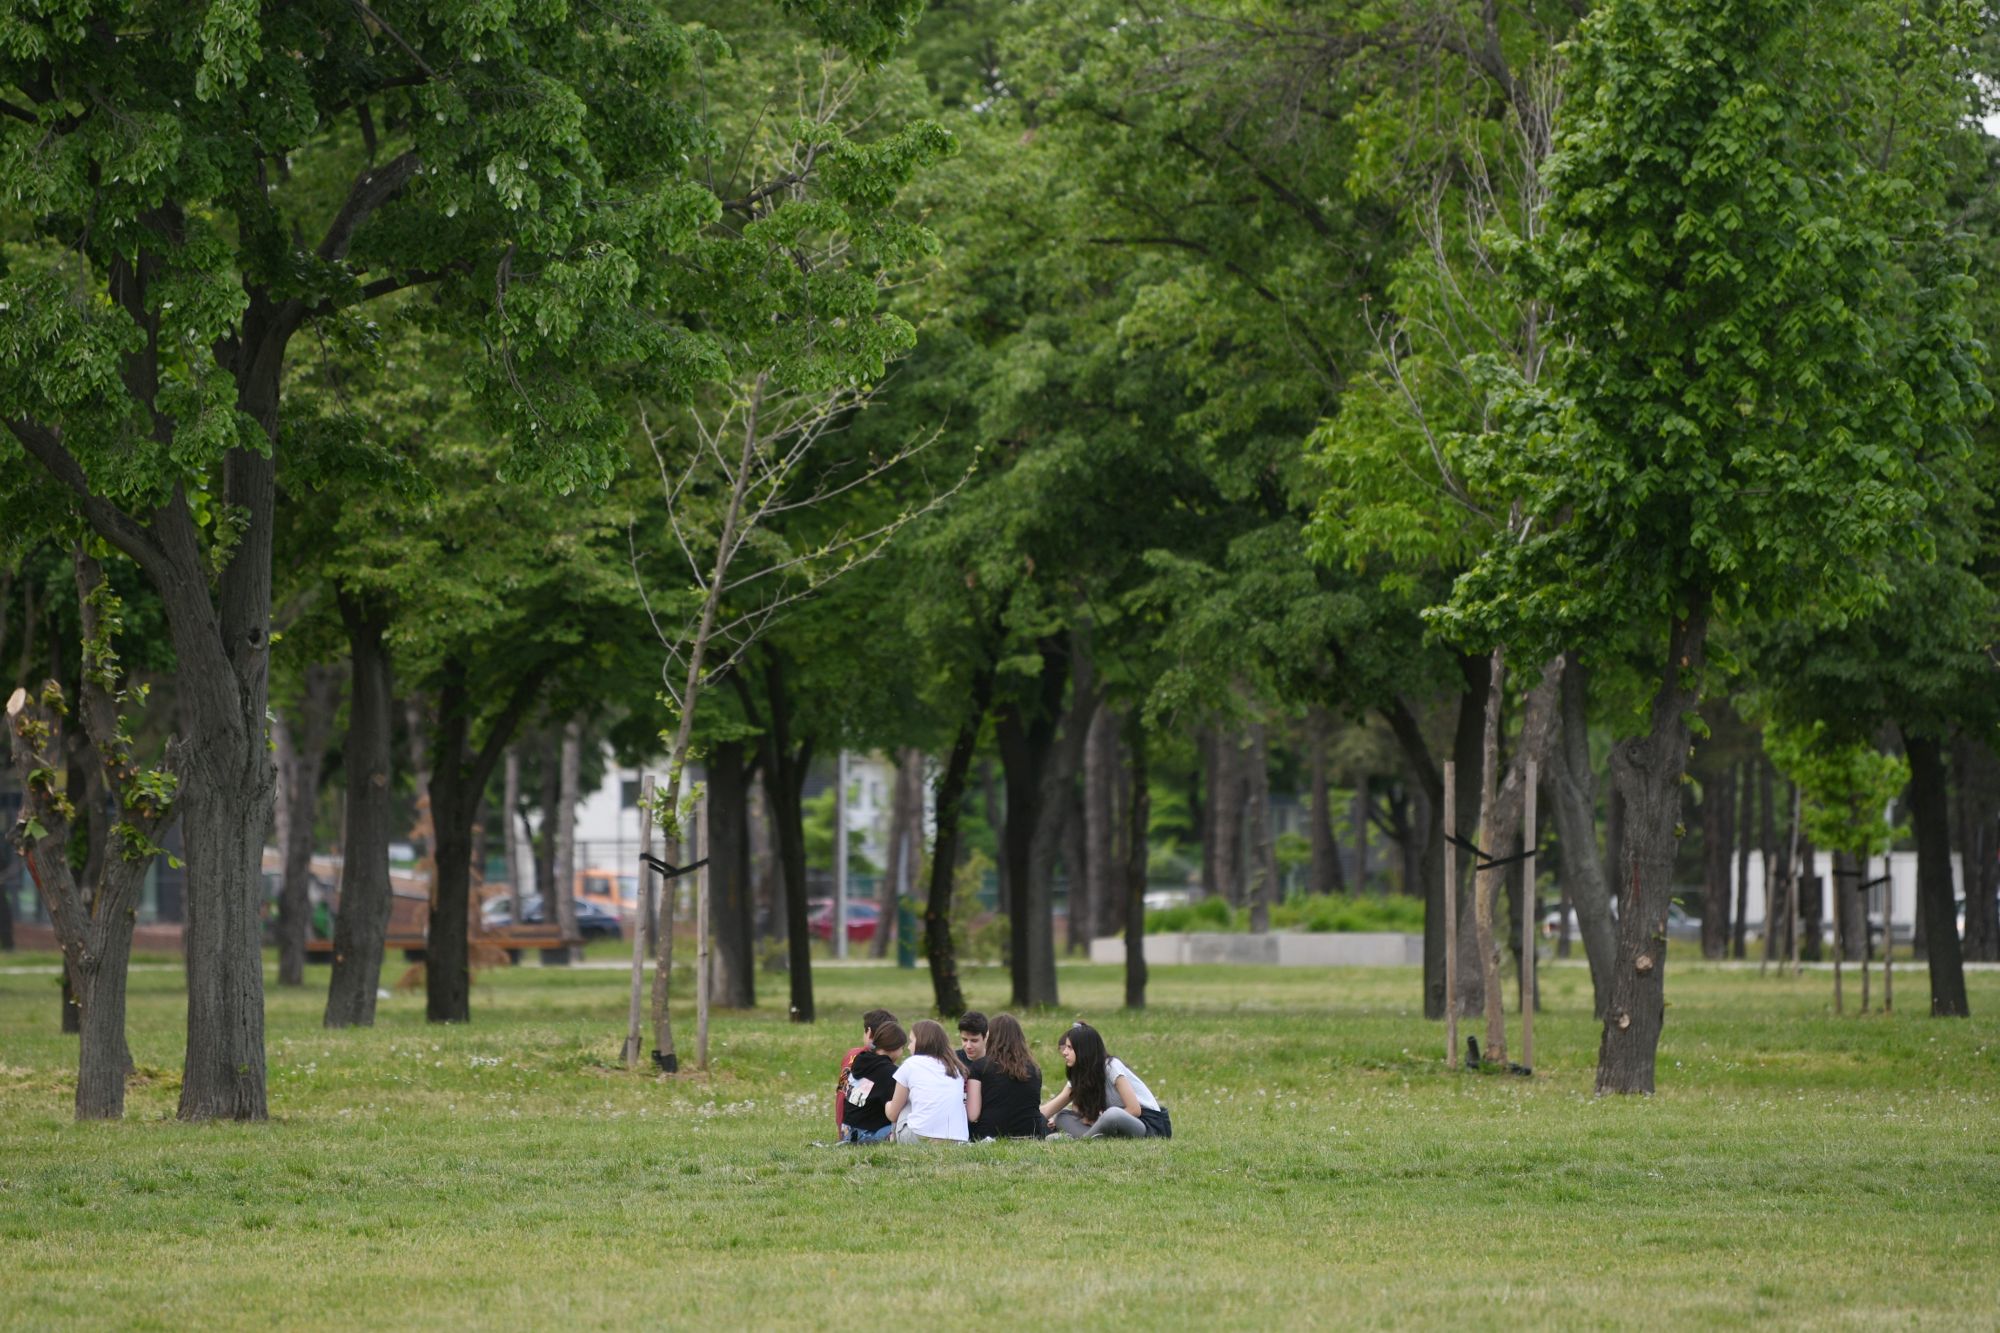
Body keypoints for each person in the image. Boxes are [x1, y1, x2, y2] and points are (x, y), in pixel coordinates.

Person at [1040, 1021, 1172, 1139]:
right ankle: (1094, 1137)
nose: (1064, 1053)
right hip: (1109, 1126)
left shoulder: (1111, 1066)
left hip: (1145, 1123)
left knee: (1112, 1114)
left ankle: (1082, 1140)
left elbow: (1134, 1110)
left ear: (1084, 1050)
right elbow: (1048, 1110)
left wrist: (1099, 1120)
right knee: (1062, 1117)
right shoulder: (1079, 1074)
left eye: (1070, 1048)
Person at [884, 1018, 970, 1143]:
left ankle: (894, 1138)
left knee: (905, 1101)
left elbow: (892, 1114)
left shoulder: (910, 1064)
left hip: (918, 1137)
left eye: (912, 1041)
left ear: (922, 1042)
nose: (908, 1047)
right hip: (957, 1139)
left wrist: (887, 1105)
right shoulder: (956, 1068)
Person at [967, 1012, 1046, 1140]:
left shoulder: (979, 1067)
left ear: (989, 1036)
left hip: (990, 1134)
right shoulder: (1034, 1068)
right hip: (1031, 1133)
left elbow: (973, 1115)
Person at [835, 1008, 897, 1139]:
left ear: (868, 1032)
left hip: (846, 1128)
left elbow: (842, 1094)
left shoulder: (852, 1057)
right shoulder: (884, 1068)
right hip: (865, 1130)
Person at [955, 1011, 989, 1077]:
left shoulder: (994, 1063)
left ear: (985, 1037)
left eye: (974, 1041)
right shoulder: (953, 1060)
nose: (968, 1046)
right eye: (964, 1040)